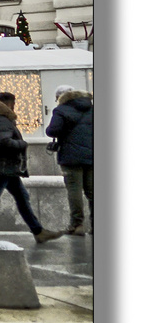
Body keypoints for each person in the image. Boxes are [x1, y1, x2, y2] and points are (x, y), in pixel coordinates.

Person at [0, 91, 63, 244]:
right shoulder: (2, 121)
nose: (14, 108)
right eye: (14, 104)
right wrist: (22, 144)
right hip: (2, 166)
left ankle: (38, 231)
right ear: (9, 104)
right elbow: (3, 142)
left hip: (0, 167)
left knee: (21, 197)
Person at [46, 86, 94, 236]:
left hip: (70, 157)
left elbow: (52, 130)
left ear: (60, 97)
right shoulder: (91, 108)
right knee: (92, 191)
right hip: (92, 155)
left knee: (74, 191)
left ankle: (77, 225)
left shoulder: (61, 110)